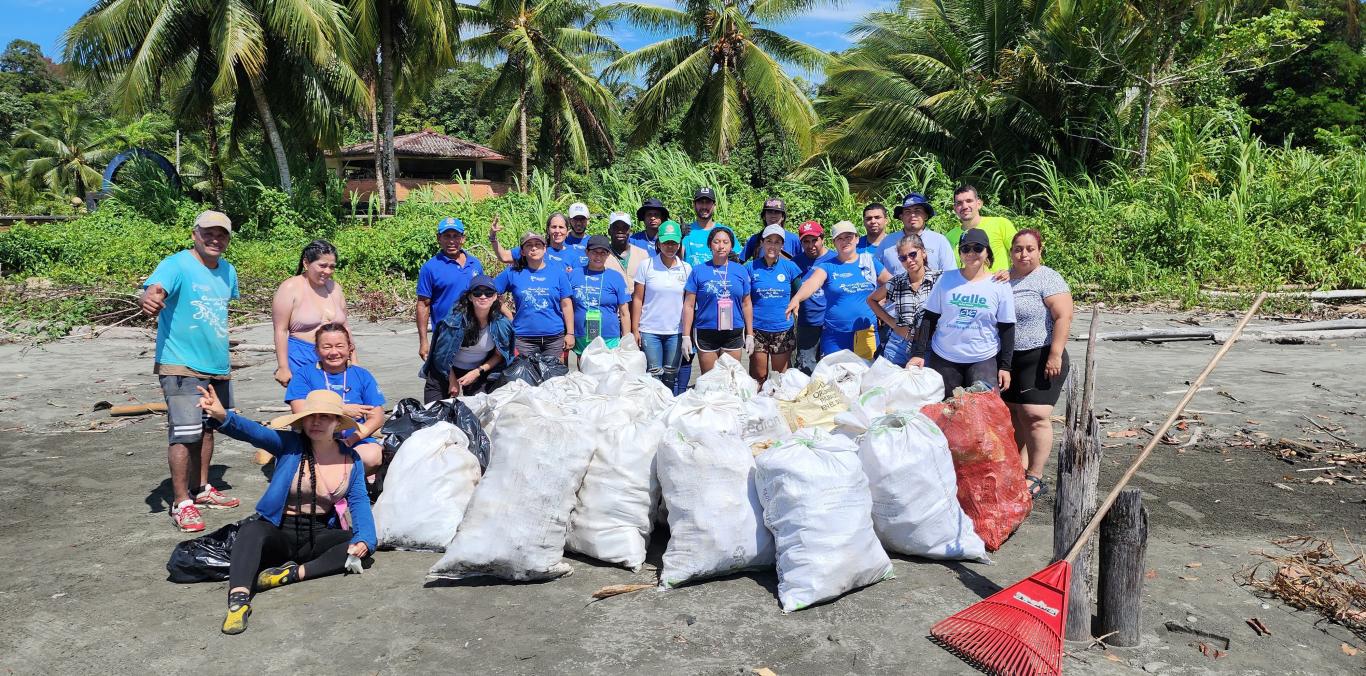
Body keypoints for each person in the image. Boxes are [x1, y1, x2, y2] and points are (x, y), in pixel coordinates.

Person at [195, 386, 375, 636]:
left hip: (318, 532)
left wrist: (365, 539)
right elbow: (255, 433)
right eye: (311, 416)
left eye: (324, 417)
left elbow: (360, 501)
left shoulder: (351, 459)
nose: (316, 422)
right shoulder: (290, 445)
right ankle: (239, 600)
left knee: (358, 549)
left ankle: (292, 574)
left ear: (337, 422)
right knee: (251, 530)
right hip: (279, 531)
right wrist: (223, 415)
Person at [139, 209, 242, 532]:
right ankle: (181, 501)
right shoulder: (176, 264)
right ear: (194, 234)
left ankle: (201, 488)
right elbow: (154, 290)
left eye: (222, 234)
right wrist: (149, 298)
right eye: (208, 233)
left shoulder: (228, 271)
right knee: (184, 432)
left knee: (209, 428)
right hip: (180, 363)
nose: (215, 239)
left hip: (216, 366)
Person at [1001, 229, 1074, 498]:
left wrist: (1056, 353)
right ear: (1011, 251)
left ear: (1040, 251)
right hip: (1011, 358)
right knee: (1014, 414)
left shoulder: (1048, 278)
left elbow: (1063, 316)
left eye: (1030, 248)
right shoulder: (1005, 278)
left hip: (1042, 354)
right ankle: (1017, 470)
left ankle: (1036, 474)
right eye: (1018, 248)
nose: (1024, 254)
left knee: (1035, 415)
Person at [909, 228, 1017, 392]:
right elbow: (929, 318)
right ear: (960, 253)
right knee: (946, 412)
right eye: (965, 249)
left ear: (987, 252)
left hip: (983, 358)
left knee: (984, 411)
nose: (971, 253)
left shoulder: (1000, 284)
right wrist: (919, 353)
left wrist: (1006, 366)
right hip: (945, 357)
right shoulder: (946, 278)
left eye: (977, 248)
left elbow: (1007, 327)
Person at [283, 323, 385, 475]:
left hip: (353, 440)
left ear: (349, 348)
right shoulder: (303, 374)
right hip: (313, 441)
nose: (334, 352)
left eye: (339, 346)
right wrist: (342, 409)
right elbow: (300, 410)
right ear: (316, 350)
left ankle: (347, 484)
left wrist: (352, 440)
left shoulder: (362, 375)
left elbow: (376, 417)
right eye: (327, 347)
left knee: (372, 456)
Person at [786, 221, 890, 360]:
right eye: (840, 238)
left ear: (857, 239)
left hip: (865, 333)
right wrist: (797, 298)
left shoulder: (869, 262)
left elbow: (892, 283)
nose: (845, 241)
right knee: (834, 377)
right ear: (834, 242)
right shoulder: (828, 266)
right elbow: (812, 283)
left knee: (866, 377)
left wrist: (882, 300)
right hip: (834, 335)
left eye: (849, 237)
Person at [271, 240, 351, 389]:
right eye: (322, 265)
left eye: (332, 267)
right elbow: (280, 330)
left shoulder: (335, 288)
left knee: (342, 405)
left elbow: (345, 327)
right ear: (306, 263)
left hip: (336, 355)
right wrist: (283, 367)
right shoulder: (290, 287)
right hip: (302, 356)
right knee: (311, 408)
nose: (327, 271)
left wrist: (354, 359)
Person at [423, 275, 515, 400]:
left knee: (480, 411)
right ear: (470, 297)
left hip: (478, 370)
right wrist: (452, 380)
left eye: (488, 293)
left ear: (495, 297)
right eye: (477, 292)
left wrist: (477, 372)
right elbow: (440, 356)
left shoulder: (502, 324)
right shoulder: (454, 321)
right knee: (434, 411)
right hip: (445, 369)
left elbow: (499, 356)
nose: (483, 297)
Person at [682, 227, 754, 373]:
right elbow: (689, 305)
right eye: (716, 242)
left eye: (725, 242)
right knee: (710, 380)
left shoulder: (740, 270)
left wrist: (750, 334)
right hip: (706, 330)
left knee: (731, 379)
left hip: (733, 331)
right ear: (710, 245)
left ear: (731, 246)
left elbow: (746, 303)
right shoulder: (698, 270)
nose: (721, 246)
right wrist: (685, 336)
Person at [497, 230, 576, 360]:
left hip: (554, 338)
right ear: (522, 251)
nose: (534, 248)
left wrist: (570, 333)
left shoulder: (557, 272)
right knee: (525, 378)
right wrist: (509, 315)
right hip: (524, 339)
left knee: (555, 379)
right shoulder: (513, 273)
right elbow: (492, 293)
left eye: (538, 245)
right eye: (529, 245)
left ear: (545, 249)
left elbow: (566, 304)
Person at [631, 221, 691, 391]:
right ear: (658, 242)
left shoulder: (686, 268)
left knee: (671, 374)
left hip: (675, 331)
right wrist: (635, 330)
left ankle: (667, 410)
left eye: (674, 243)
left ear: (679, 243)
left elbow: (689, 303)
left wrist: (687, 333)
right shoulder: (646, 265)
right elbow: (637, 299)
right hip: (650, 330)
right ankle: (653, 412)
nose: (670, 247)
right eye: (666, 242)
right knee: (654, 375)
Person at [866, 234, 941, 366]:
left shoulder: (939, 280)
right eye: (903, 258)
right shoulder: (897, 282)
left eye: (912, 254)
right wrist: (892, 323)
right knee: (888, 384)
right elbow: (871, 300)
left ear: (923, 253)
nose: (909, 260)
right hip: (898, 345)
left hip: (929, 346)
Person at [416, 218, 484, 363]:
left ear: (463, 239)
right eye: (447, 236)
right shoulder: (430, 268)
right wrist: (423, 341)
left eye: (455, 236)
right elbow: (423, 305)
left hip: (474, 333)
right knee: (443, 381)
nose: (451, 241)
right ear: (438, 238)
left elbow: (484, 297)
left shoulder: (475, 264)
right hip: (445, 335)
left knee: (472, 380)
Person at [745, 224, 803, 385]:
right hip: (757, 329)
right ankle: (757, 406)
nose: (772, 245)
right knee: (759, 376)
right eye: (769, 241)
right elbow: (744, 298)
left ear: (782, 245)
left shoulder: (790, 267)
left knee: (780, 377)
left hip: (782, 329)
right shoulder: (750, 268)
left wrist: (796, 302)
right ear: (762, 243)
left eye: (777, 242)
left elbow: (801, 292)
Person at [571, 235, 632, 355]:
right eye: (594, 252)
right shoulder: (574, 274)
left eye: (603, 253)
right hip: (582, 336)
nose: (598, 256)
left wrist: (626, 339)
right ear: (586, 252)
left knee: (608, 372)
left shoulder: (616, 277)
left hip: (609, 337)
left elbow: (625, 313)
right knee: (584, 373)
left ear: (608, 254)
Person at [791, 220, 836, 373]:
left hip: (831, 323)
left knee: (832, 366)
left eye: (814, 240)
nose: (811, 245)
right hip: (806, 323)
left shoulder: (836, 259)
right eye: (806, 241)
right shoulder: (795, 263)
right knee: (806, 367)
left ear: (823, 239)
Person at [946, 185, 1015, 273]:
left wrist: (1011, 273)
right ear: (955, 208)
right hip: (965, 285)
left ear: (979, 204)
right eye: (959, 203)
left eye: (969, 201)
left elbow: (1020, 254)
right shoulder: (949, 236)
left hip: (998, 284)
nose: (964, 206)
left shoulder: (1000, 224)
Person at [491, 213, 589, 275]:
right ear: (547, 229)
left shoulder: (572, 254)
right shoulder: (536, 248)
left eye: (561, 227)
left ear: (567, 230)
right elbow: (503, 257)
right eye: (554, 227)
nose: (557, 231)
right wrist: (493, 237)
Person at [883, 193, 955, 275]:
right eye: (907, 211)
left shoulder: (940, 241)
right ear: (901, 217)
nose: (912, 215)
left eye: (917, 211)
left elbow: (950, 274)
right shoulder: (887, 242)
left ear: (926, 216)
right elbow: (875, 273)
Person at [680, 186, 740, 265]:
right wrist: (679, 238)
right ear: (694, 205)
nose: (704, 206)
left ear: (714, 206)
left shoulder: (725, 232)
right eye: (701, 202)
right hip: (692, 277)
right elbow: (676, 259)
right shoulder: (686, 231)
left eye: (708, 202)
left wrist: (736, 259)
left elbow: (739, 258)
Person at [602, 211, 649, 287]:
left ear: (630, 231)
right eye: (616, 227)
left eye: (625, 227)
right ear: (609, 231)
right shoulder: (602, 255)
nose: (620, 231)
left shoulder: (643, 255)